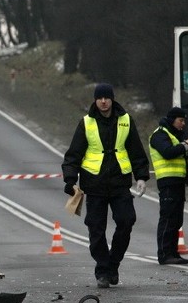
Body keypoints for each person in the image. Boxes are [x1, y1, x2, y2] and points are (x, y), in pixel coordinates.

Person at [62, 83, 150, 289]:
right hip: (94, 184)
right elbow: (73, 154)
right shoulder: (86, 123)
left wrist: (141, 177)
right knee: (95, 228)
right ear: (95, 100)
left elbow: (136, 150)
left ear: (112, 99)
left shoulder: (126, 121)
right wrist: (70, 181)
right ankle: (102, 270)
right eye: (99, 98)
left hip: (120, 183)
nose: (103, 101)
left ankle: (113, 263)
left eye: (106, 98)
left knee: (126, 221)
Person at [149, 107, 188, 265]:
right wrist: (186, 146)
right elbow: (167, 152)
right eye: (181, 120)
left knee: (176, 219)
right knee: (168, 218)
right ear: (172, 119)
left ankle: (173, 253)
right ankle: (164, 254)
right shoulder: (159, 135)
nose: (183, 124)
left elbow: (181, 158)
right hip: (167, 181)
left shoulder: (175, 135)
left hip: (178, 181)